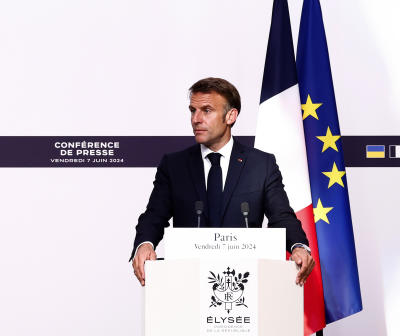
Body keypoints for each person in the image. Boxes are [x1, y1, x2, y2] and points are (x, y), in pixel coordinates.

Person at [130, 77, 314, 287]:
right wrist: (145, 244)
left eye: (206, 110)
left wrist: (299, 246)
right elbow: (154, 215)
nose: (196, 119)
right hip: (188, 283)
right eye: (193, 110)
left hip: (246, 284)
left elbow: (281, 216)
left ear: (231, 116)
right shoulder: (174, 165)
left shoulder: (262, 164)